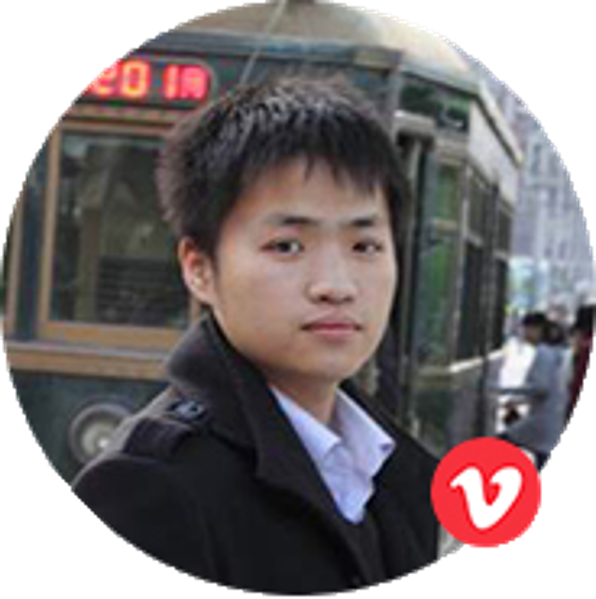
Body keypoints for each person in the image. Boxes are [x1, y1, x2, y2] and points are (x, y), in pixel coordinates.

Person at [71, 76, 439, 593]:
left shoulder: (392, 466)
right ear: (199, 268)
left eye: (365, 246)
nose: (337, 286)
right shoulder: (149, 487)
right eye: (287, 246)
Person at [499, 312, 568, 470]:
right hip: (549, 419)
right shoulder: (554, 351)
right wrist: (518, 400)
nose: (524, 334)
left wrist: (505, 390)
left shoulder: (544, 353)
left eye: (526, 329)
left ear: (536, 329)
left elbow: (541, 387)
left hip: (540, 421)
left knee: (501, 442)